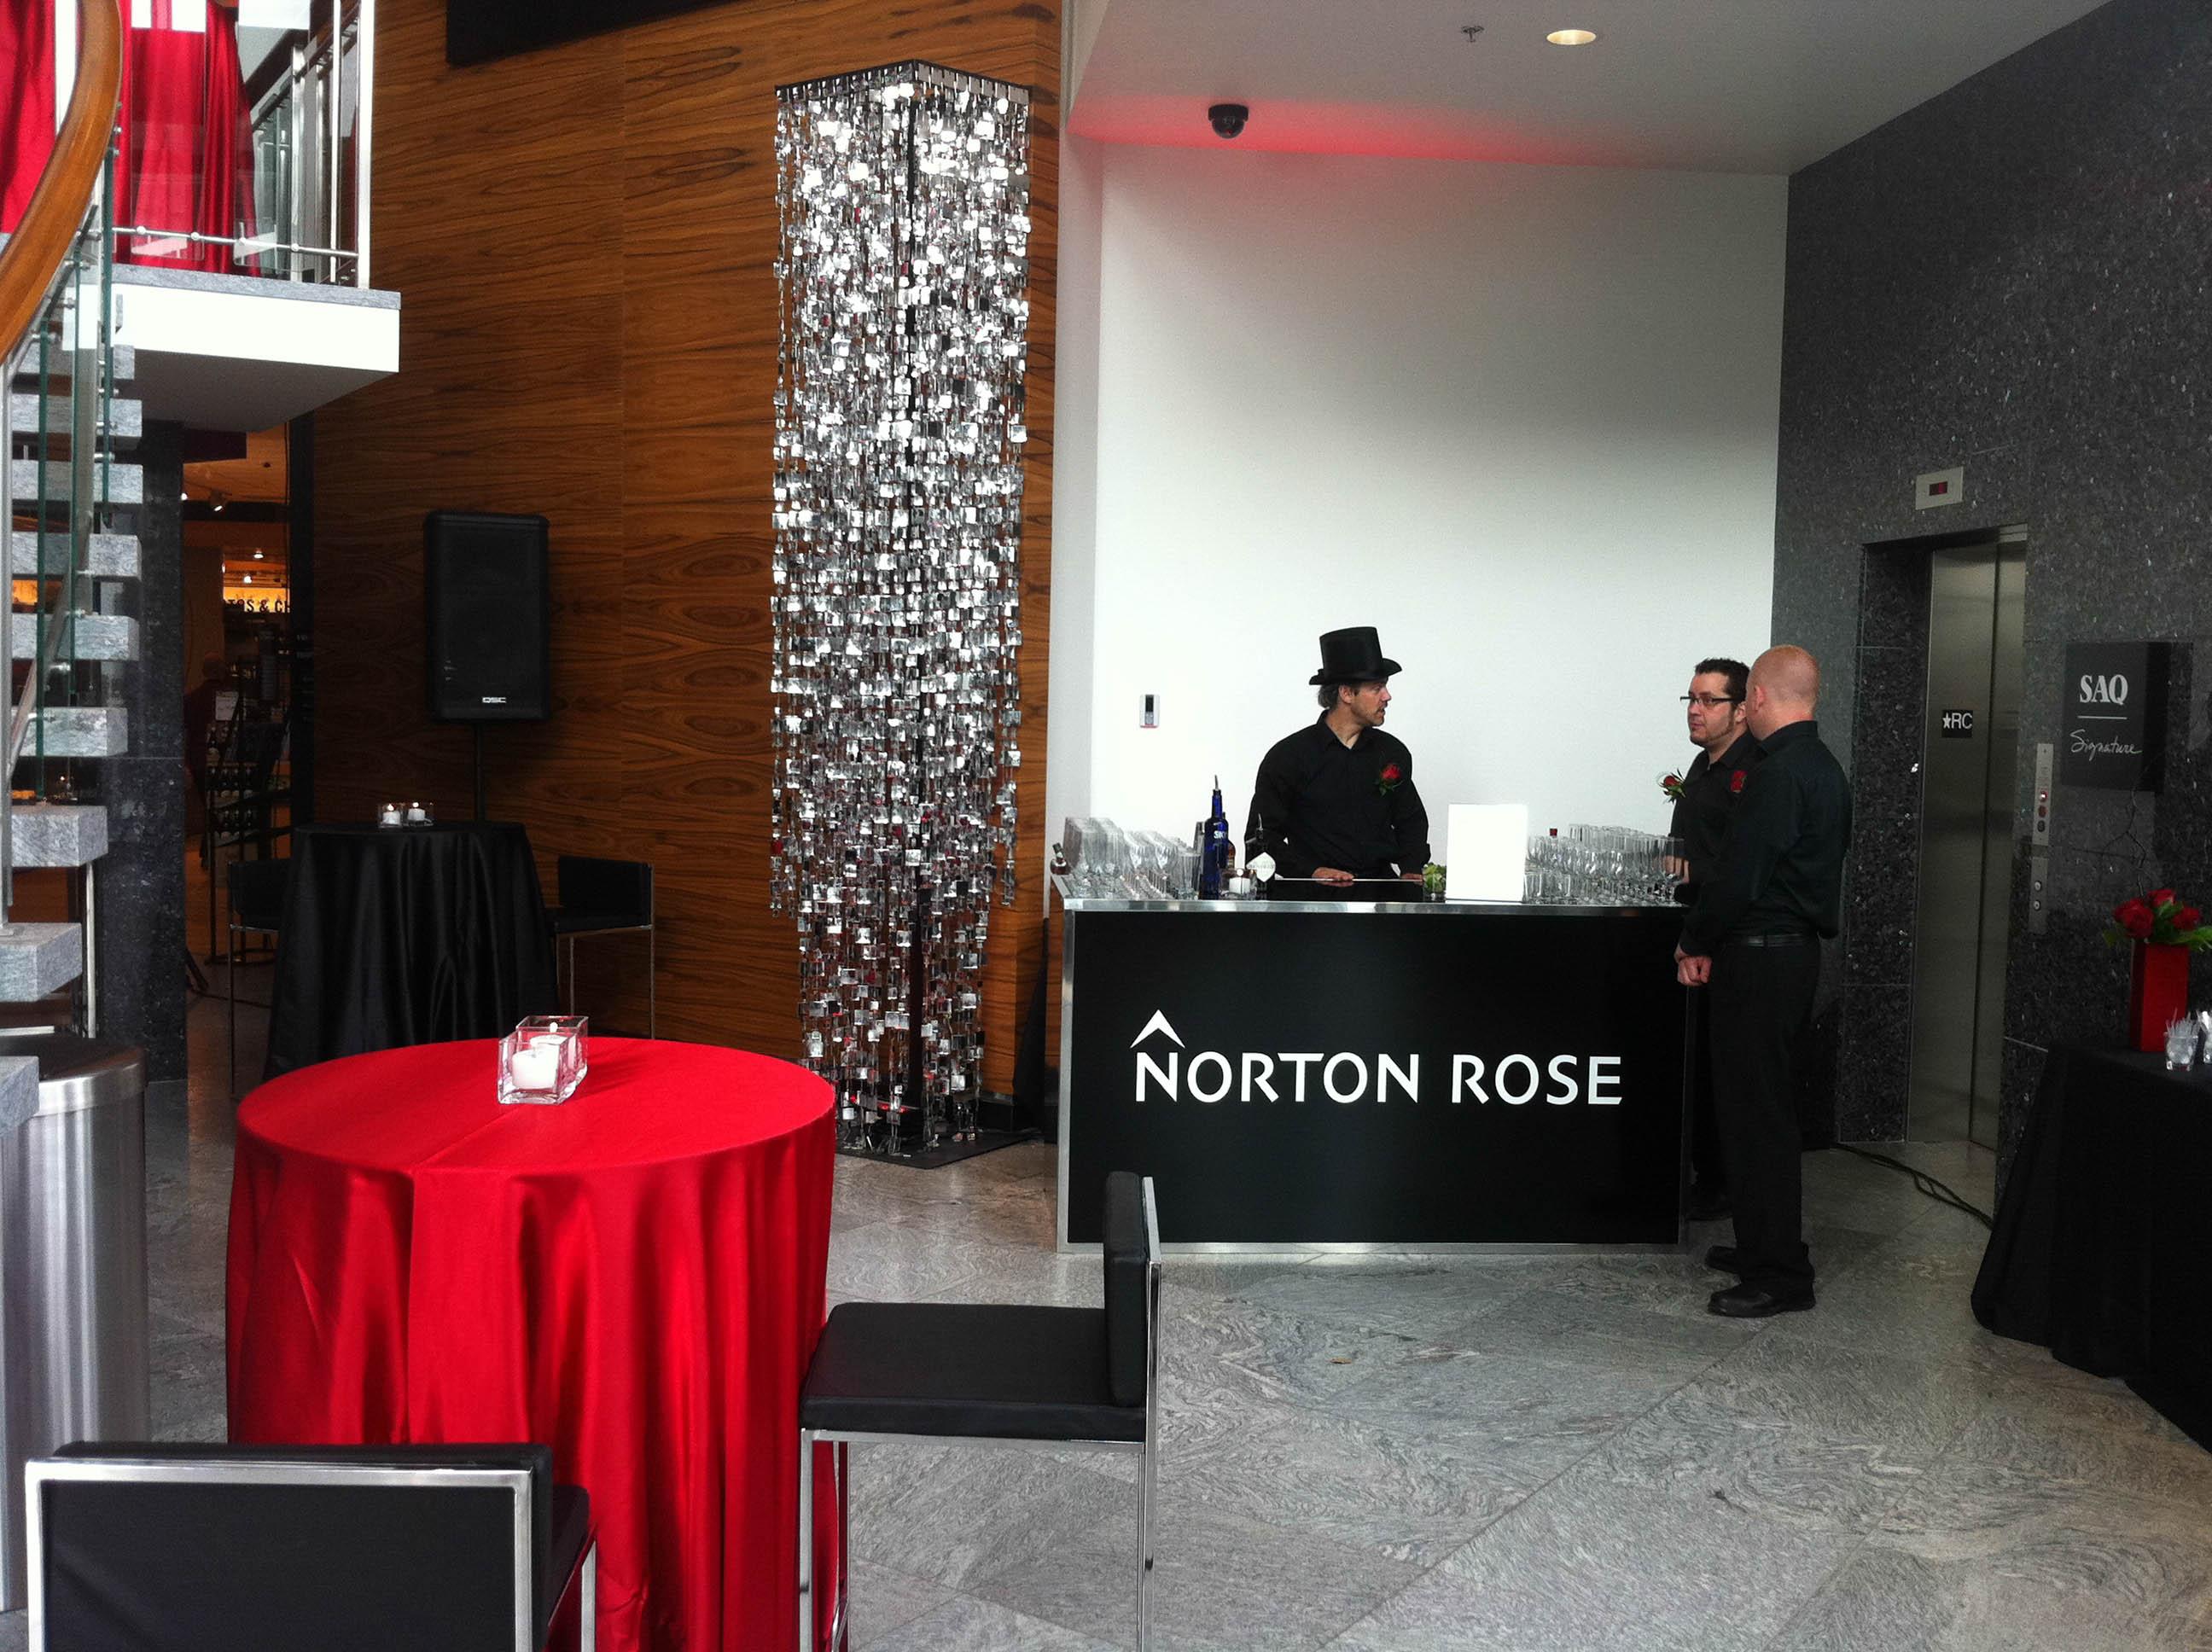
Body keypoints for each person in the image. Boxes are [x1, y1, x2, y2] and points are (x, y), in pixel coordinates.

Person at [1675, 645, 1851, 1318]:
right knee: (1759, 1114)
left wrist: (1695, 939)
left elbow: (1740, 875)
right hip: (1789, 954)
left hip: (1761, 958)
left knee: (1758, 1121)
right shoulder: (1823, 766)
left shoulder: (1777, 774)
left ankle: (1780, 1275)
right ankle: (1762, 1250)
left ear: (1758, 699)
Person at [1668, 656, 1763, 1222]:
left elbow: (1743, 866)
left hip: (1732, 940)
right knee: (1699, 1065)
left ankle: (1725, 1184)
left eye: (1709, 700)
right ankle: (1703, 1173)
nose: (1695, 710)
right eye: (1691, 699)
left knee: (1729, 1074)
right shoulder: (1701, 766)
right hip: (1696, 930)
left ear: (1743, 709)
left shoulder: (1757, 770)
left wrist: (1690, 873)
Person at [1246, 627, 1429, 890]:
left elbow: (1410, 820)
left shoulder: (1392, 752)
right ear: (1346, 693)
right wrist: (1312, 871)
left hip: (1380, 893)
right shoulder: (1288, 757)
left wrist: (1411, 868)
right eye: (1377, 688)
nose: (1387, 696)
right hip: (1313, 898)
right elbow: (1261, 838)